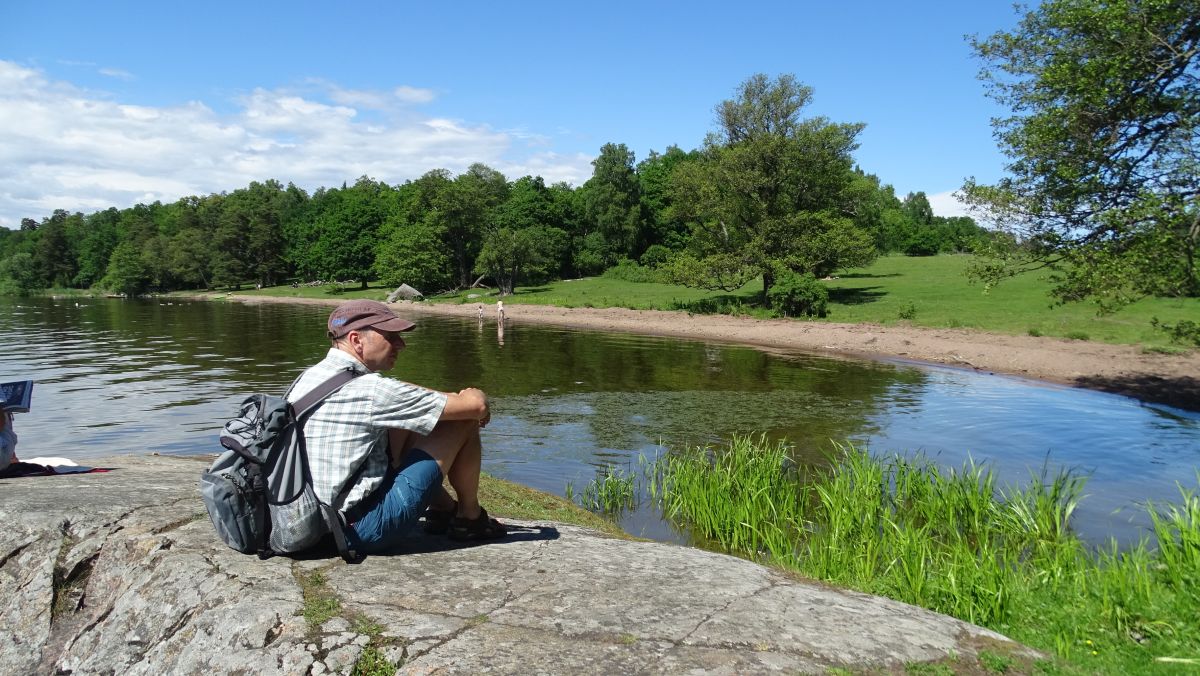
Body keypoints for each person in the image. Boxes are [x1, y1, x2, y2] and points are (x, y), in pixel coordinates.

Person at [290, 299, 506, 554]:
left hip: (309, 521)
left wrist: (453, 401)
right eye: (391, 337)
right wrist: (473, 394)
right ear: (356, 339)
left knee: (405, 423)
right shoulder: (372, 391)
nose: (401, 344)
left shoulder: (309, 378)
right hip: (356, 529)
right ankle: (470, 518)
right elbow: (476, 406)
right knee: (462, 419)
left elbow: (407, 401)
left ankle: (443, 510)